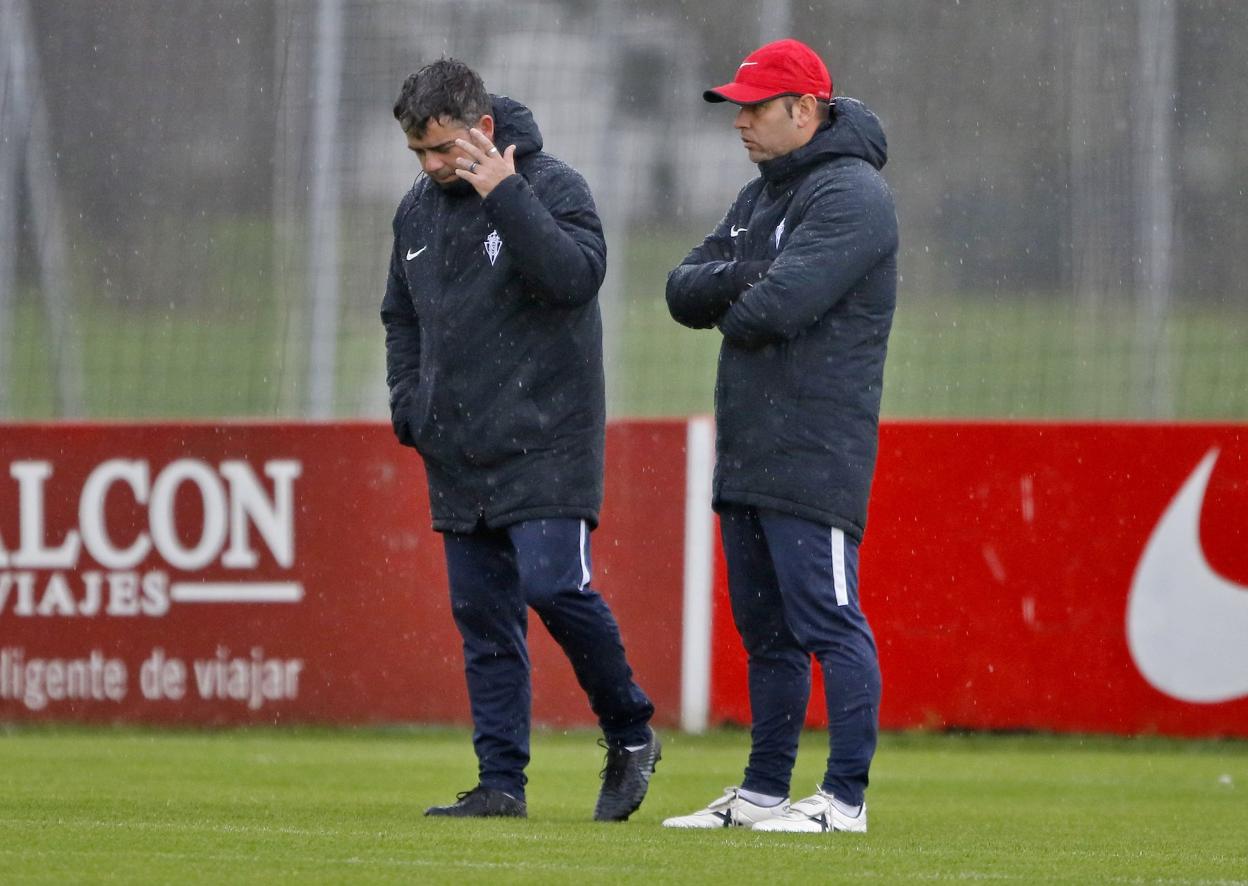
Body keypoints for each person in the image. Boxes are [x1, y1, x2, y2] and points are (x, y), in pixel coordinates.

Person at [381, 58, 659, 821]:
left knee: (552, 586)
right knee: (482, 618)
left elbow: (573, 278)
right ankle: (500, 785)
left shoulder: (554, 186)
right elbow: (399, 316)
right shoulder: (415, 211)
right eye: (420, 155)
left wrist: (502, 192)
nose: (433, 166)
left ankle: (631, 730)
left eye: (443, 149)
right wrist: (412, 404)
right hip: (457, 450)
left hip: (547, 442)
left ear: (486, 129)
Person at [663, 39, 897, 834]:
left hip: (814, 449)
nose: (741, 123)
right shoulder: (762, 196)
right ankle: (764, 793)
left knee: (830, 620)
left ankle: (844, 801)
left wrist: (739, 280)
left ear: (804, 110)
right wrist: (746, 273)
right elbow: (682, 288)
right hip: (751, 450)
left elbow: (774, 310)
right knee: (766, 634)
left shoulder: (853, 195)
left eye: (755, 109)